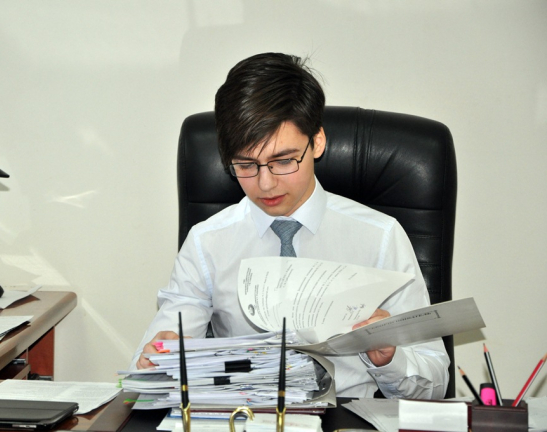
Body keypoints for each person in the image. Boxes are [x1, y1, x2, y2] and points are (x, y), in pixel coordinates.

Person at [130, 52, 449, 399]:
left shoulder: (380, 237)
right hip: (246, 415)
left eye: (283, 161)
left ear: (317, 142)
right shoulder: (207, 242)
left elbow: (436, 383)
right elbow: (147, 368)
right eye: (246, 165)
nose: (265, 184)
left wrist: (390, 359)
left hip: (346, 415)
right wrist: (157, 360)